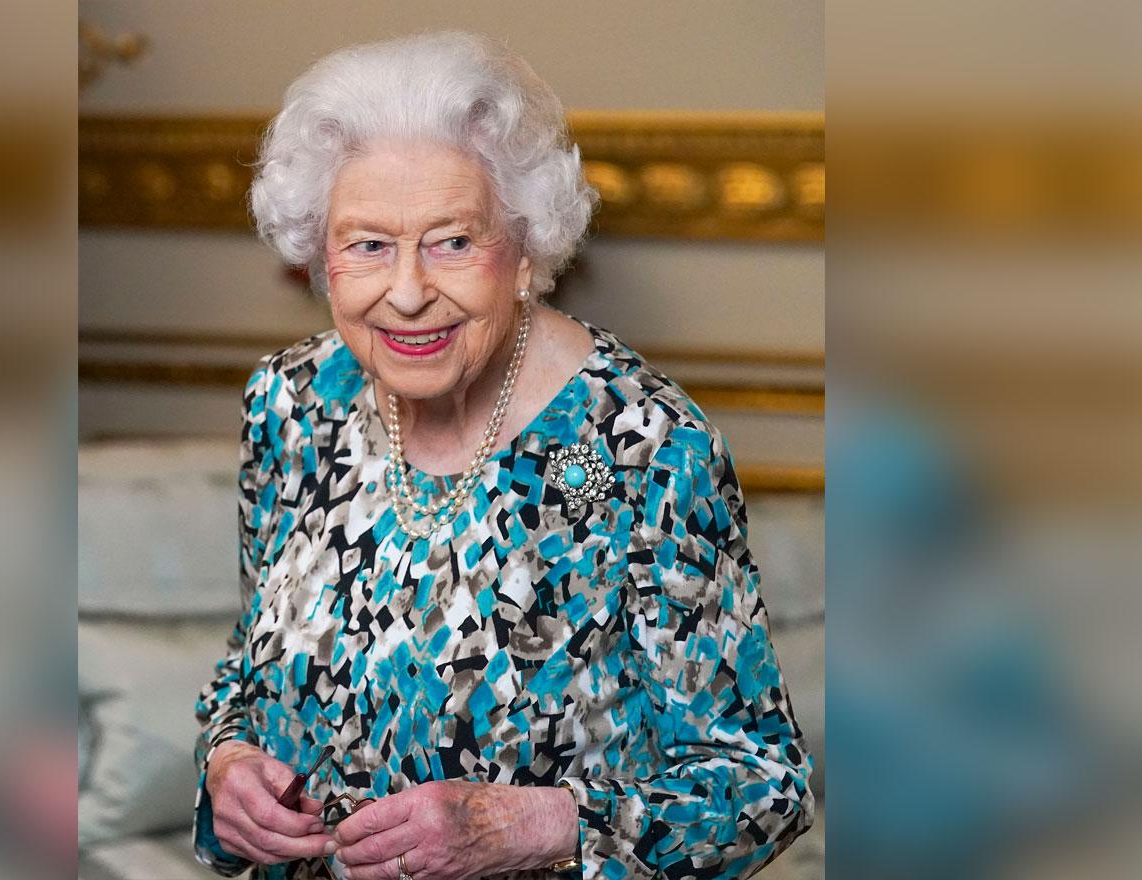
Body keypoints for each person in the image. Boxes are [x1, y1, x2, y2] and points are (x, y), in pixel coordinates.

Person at [193, 31, 814, 880]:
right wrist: (229, 765)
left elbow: (762, 787)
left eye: (452, 241)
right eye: (368, 245)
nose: (408, 292)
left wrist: (538, 826)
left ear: (524, 254)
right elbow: (249, 668)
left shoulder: (648, 447)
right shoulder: (292, 404)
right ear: (321, 261)